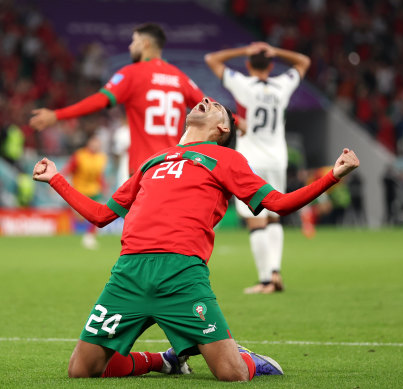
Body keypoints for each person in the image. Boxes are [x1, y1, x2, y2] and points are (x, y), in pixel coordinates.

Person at [32, 97, 360, 381]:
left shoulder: (228, 159)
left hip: (182, 273)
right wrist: (57, 179)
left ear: (223, 129)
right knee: (81, 369)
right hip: (128, 273)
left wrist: (332, 176)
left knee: (233, 374)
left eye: (215, 106)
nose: (204, 101)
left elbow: (277, 203)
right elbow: (102, 215)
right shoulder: (153, 160)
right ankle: (163, 360)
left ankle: (248, 358)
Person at [30, 23, 210, 175]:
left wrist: (57, 115)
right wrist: (237, 122)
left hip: (145, 168)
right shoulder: (180, 78)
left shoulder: (132, 73)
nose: (131, 46)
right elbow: (211, 109)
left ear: (145, 44)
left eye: (134, 41)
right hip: (172, 167)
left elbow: (100, 100)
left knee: (137, 217)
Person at [204, 41, 311, 294]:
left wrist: (243, 50)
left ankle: (265, 281)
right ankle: (275, 273)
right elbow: (303, 61)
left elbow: (212, 59)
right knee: (274, 217)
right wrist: (276, 51)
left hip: (251, 159)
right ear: (272, 64)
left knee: (255, 220)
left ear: (249, 64)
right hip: (277, 158)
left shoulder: (243, 84)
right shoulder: (282, 85)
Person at [61, 134, 108, 249]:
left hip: (94, 190)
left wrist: (104, 186)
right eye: (94, 142)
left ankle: (89, 237)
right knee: (80, 217)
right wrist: (58, 180)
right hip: (80, 190)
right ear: (89, 143)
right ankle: (72, 233)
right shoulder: (80, 155)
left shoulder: (101, 158)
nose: (96, 145)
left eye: (98, 143)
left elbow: (98, 175)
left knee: (99, 214)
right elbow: (69, 169)